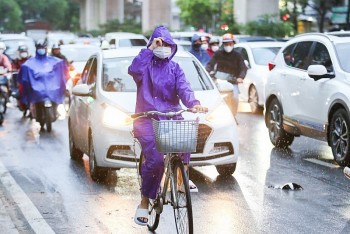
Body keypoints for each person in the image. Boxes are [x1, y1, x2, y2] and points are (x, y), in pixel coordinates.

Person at [128, 25, 208, 226]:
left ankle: (181, 177)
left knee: (185, 137)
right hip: (147, 119)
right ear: (152, 43)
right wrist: (149, 50)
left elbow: (185, 88)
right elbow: (133, 69)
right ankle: (145, 201)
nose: (163, 47)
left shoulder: (175, 68)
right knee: (154, 161)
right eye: (159, 43)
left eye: (167, 44)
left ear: (173, 47)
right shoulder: (144, 66)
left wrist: (194, 104)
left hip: (171, 117)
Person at [18, 39, 67, 130]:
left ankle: (55, 111)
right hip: (37, 90)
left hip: (51, 88)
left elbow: (62, 71)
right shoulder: (29, 63)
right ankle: (36, 114)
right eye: (39, 48)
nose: (41, 49)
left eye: (43, 48)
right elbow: (24, 75)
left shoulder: (54, 61)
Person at [206, 33, 247, 118]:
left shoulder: (238, 55)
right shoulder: (218, 54)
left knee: (235, 98)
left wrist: (240, 77)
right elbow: (210, 64)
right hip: (219, 81)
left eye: (230, 43)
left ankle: (233, 116)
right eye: (226, 44)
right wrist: (207, 72)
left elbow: (243, 68)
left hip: (233, 82)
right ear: (223, 44)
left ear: (233, 44)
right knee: (213, 98)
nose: (228, 45)